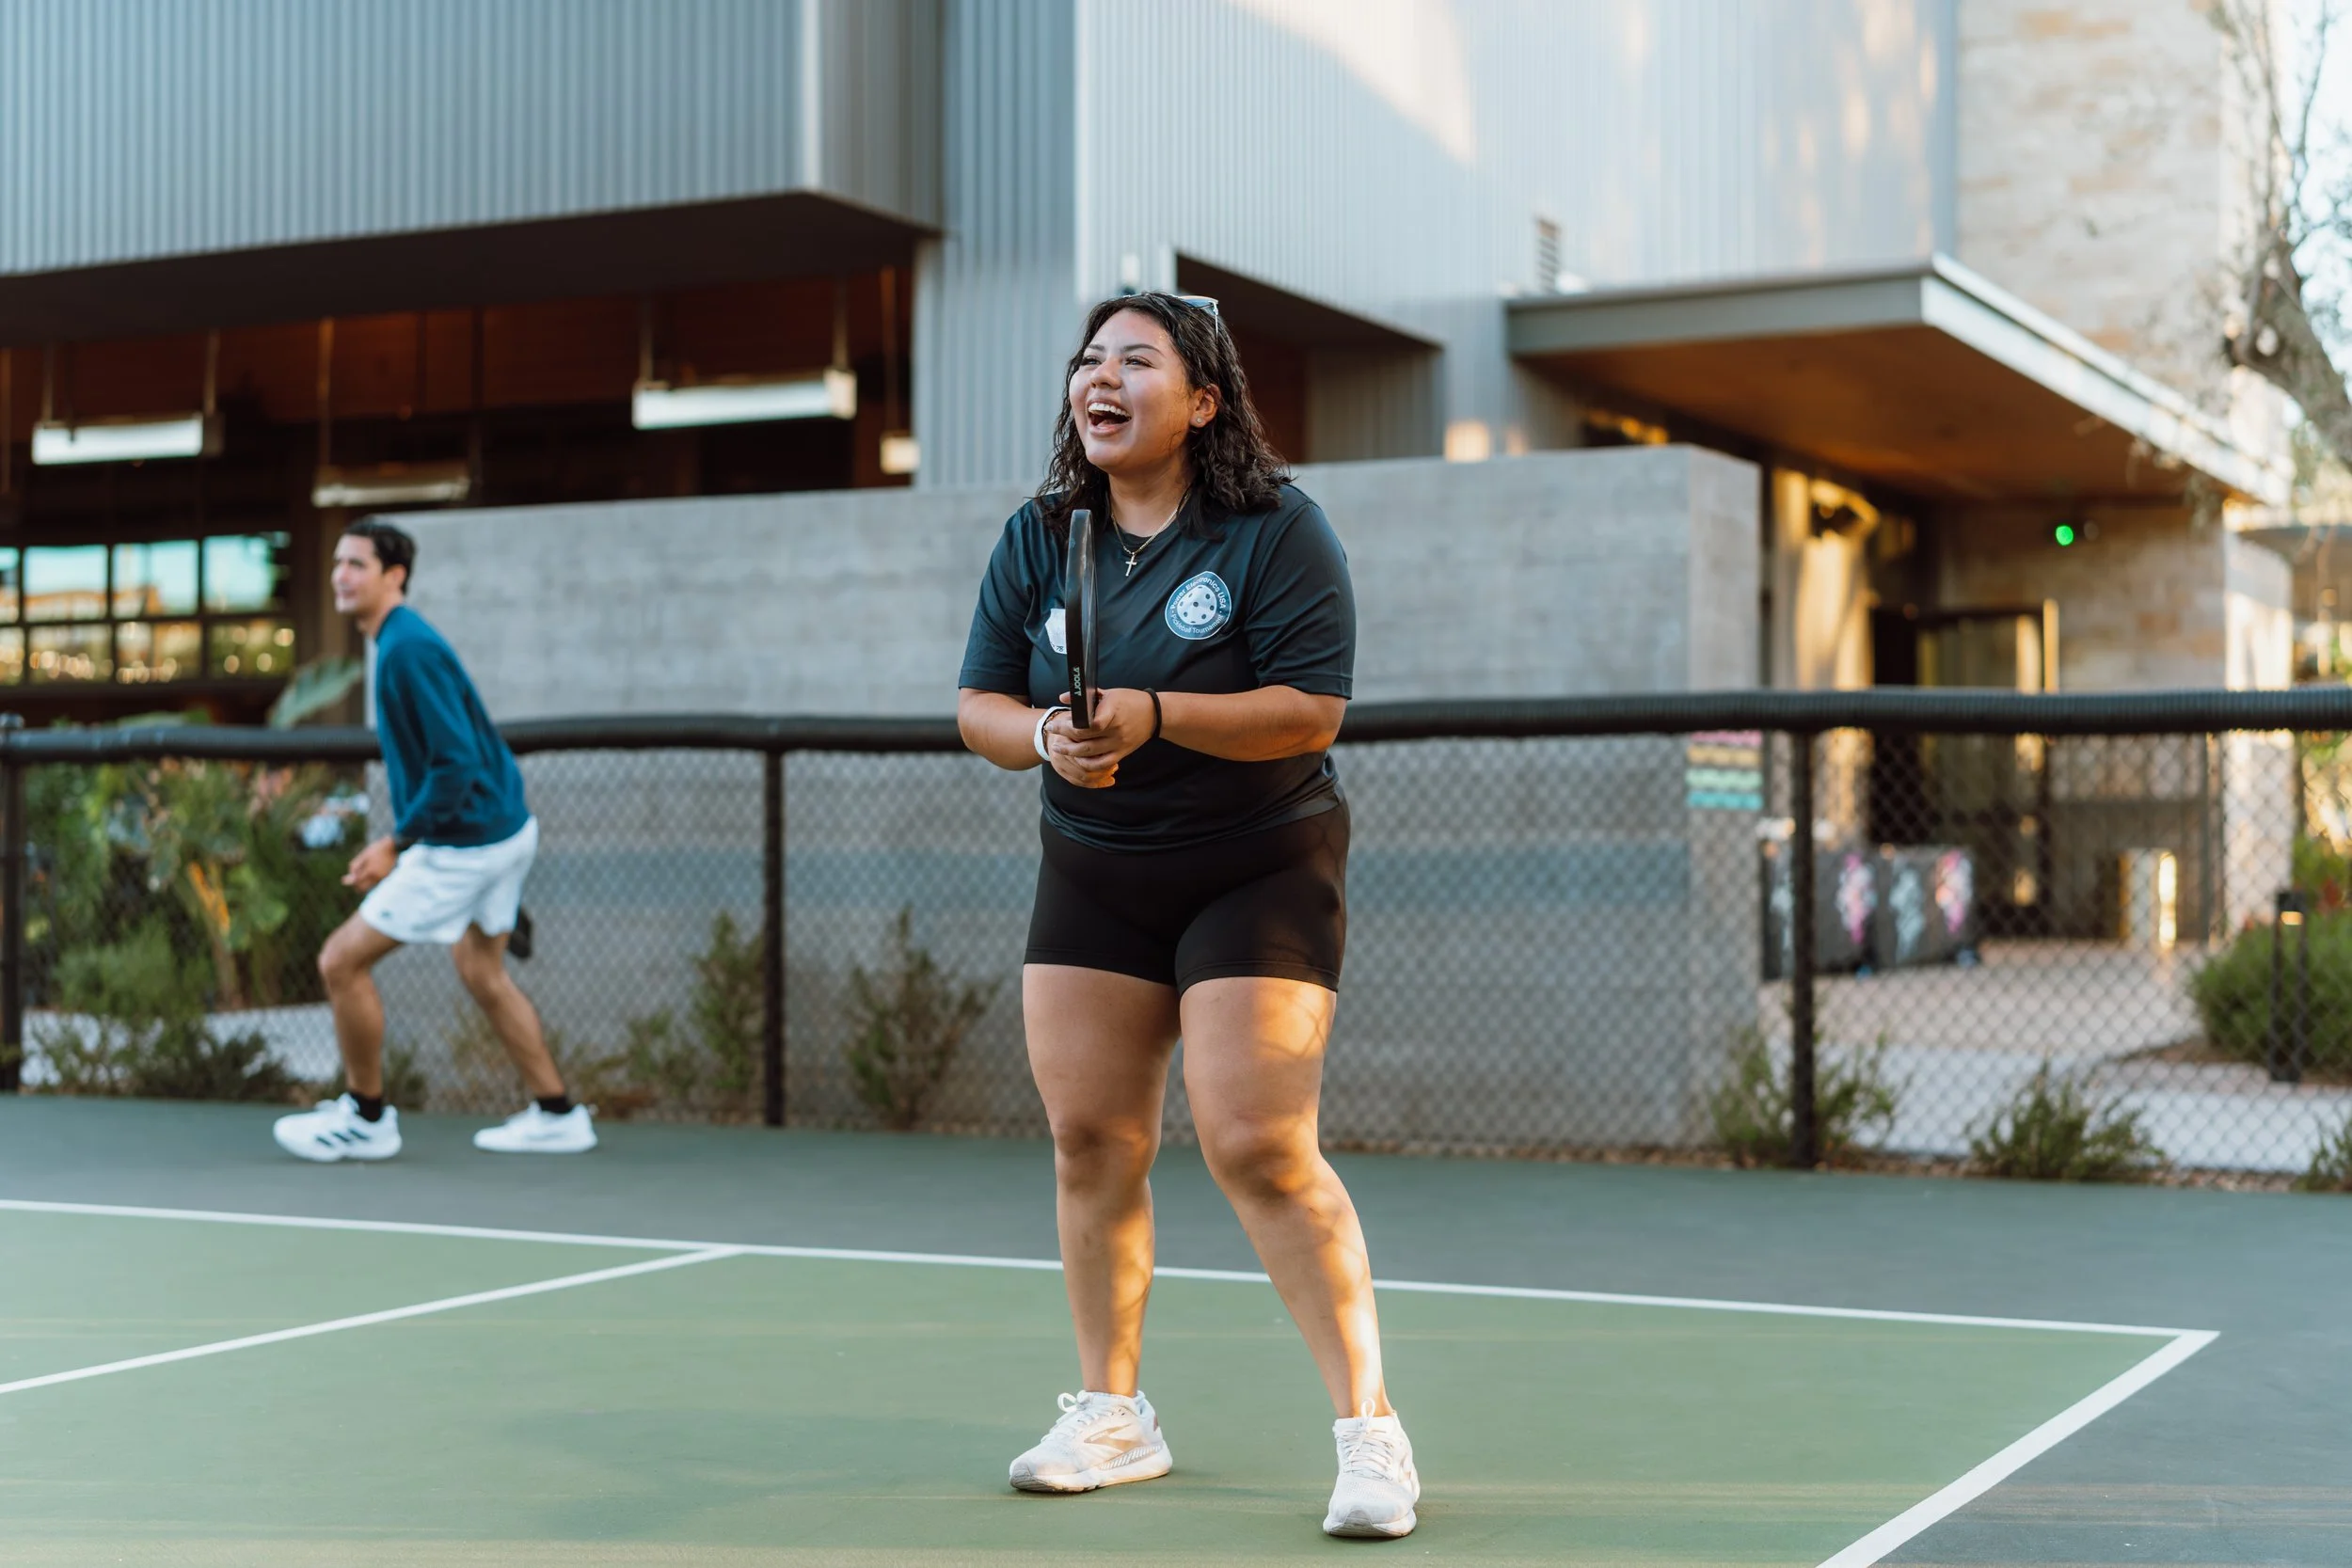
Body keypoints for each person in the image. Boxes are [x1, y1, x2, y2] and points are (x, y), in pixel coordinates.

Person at [957, 293, 1418, 1540]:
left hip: (1256, 865)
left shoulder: (1275, 529)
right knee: (1092, 1138)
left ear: (1203, 400)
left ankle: (1370, 1427)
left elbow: (1310, 709)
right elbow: (978, 704)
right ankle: (1115, 1411)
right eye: (1089, 359)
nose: (1100, 377)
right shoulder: (1045, 535)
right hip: (1095, 867)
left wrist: (1155, 713)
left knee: (1258, 1139)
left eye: (1136, 359)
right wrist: (1047, 735)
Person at [271, 520, 594, 1162]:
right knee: (482, 970)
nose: (341, 575)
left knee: (341, 961)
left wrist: (398, 842)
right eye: (338, 562)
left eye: (357, 564)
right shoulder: (395, 643)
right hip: (503, 830)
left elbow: (455, 761)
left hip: (466, 844)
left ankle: (366, 1118)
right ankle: (558, 1112)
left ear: (395, 576)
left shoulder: (407, 649)